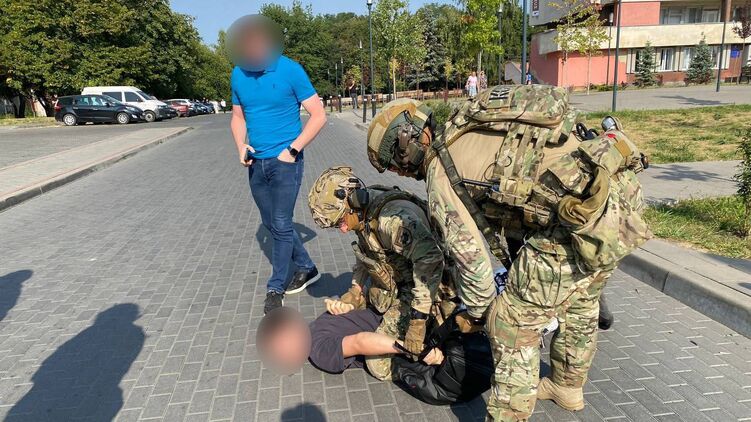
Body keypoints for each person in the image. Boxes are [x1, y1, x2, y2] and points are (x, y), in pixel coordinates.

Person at [365, 88, 651, 421]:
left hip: (582, 216)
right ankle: (566, 387)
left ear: (408, 143)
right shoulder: (468, 127)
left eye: (396, 165)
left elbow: (471, 262)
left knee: (509, 323)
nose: (402, 174)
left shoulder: (441, 170)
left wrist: (478, 315)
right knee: (581, 302)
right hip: (616, 195)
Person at [306, 166, 449, 379]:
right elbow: (366, 255)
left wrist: (418, 321)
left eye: (341, 222)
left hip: (430, 287)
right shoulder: (364, 211)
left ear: (353, 200)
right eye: (337, 226)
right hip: (402, 283)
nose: (343, 229)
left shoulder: (392, 220)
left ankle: (436, 343)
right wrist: (355, 291)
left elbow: (431, 262)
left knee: (378, 366)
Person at [228, 14, 327, 314]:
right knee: (271, 223)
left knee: (281, 223)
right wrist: (240, 145)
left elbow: (318, 115)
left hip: (286, 162)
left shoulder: (290, 70)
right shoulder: (238, 74)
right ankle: (307, 267)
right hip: (256, 163)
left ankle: (275, 288)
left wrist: (293, 150)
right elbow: (237, 117)